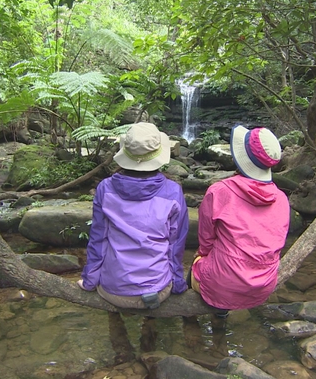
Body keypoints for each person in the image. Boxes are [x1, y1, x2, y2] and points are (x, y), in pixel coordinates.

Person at [78, 122, 189, 309]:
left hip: (112, 291)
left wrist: (89, 281)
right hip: (158, 291)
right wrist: (178, 284)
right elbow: (175, 245)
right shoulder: (173, 192)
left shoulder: (105, 188)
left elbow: (98, 240)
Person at [190, 125, 290, 314]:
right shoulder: (281, 199)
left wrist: (201, 255)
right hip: (263, 285)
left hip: (223, 284)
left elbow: (206, 239)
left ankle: (202, 320)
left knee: (196, 265)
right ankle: (221, 319)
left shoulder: (219, 191)